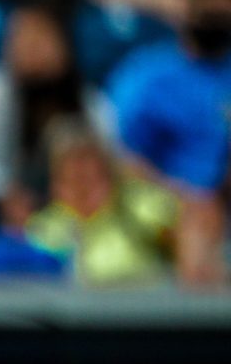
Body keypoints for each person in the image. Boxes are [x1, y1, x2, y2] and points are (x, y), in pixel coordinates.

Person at [106, 0, 231, 285]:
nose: (214, 11)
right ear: (184, 7)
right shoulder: (146, 76)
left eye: (223, 2)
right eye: (204, 1)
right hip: (164, 201)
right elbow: (124, 160)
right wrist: (183, 197)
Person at [0, 0, 115, 227]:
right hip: (5, 218)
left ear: (63, 43)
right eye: (18, 36)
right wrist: (5, 192)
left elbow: (113, 161)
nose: (26, 46)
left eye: (38, 36)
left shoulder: (88, 100)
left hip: (78, 219)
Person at [24, 116, 182, 285]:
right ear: (56, 186)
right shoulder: (43, 230)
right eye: (75, 181)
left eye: (93, 179)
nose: (84, 190)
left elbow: (190, 229)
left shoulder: (138, 207)